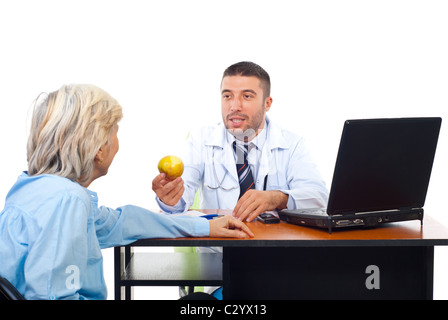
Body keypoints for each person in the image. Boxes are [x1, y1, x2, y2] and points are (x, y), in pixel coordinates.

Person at [0, 84, 253, 300]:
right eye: (115, 133)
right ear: (98, 148)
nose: (117, 143)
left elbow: (121, 223)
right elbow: (51, 295)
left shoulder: (34, 190)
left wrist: (205, 227)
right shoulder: (67, 201)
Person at [152, 61, 328, 222]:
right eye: (227, 96)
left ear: (267, 103)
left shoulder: (292, 144)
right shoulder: (200, 140)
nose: (235, 106)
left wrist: (276, 198)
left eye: (247, 96)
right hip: (218, 252)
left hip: (274, 250)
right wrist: (169, 198)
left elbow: (319, 198)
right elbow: (182, 197)